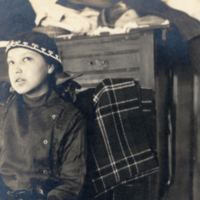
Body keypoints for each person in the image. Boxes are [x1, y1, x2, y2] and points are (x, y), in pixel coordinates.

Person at [0, 31, 87, 200]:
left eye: (27, 59)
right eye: (11, 62)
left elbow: (71, 184)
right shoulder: (4, 110)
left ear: (50, 66)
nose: (16, 69)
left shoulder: (69, 117)